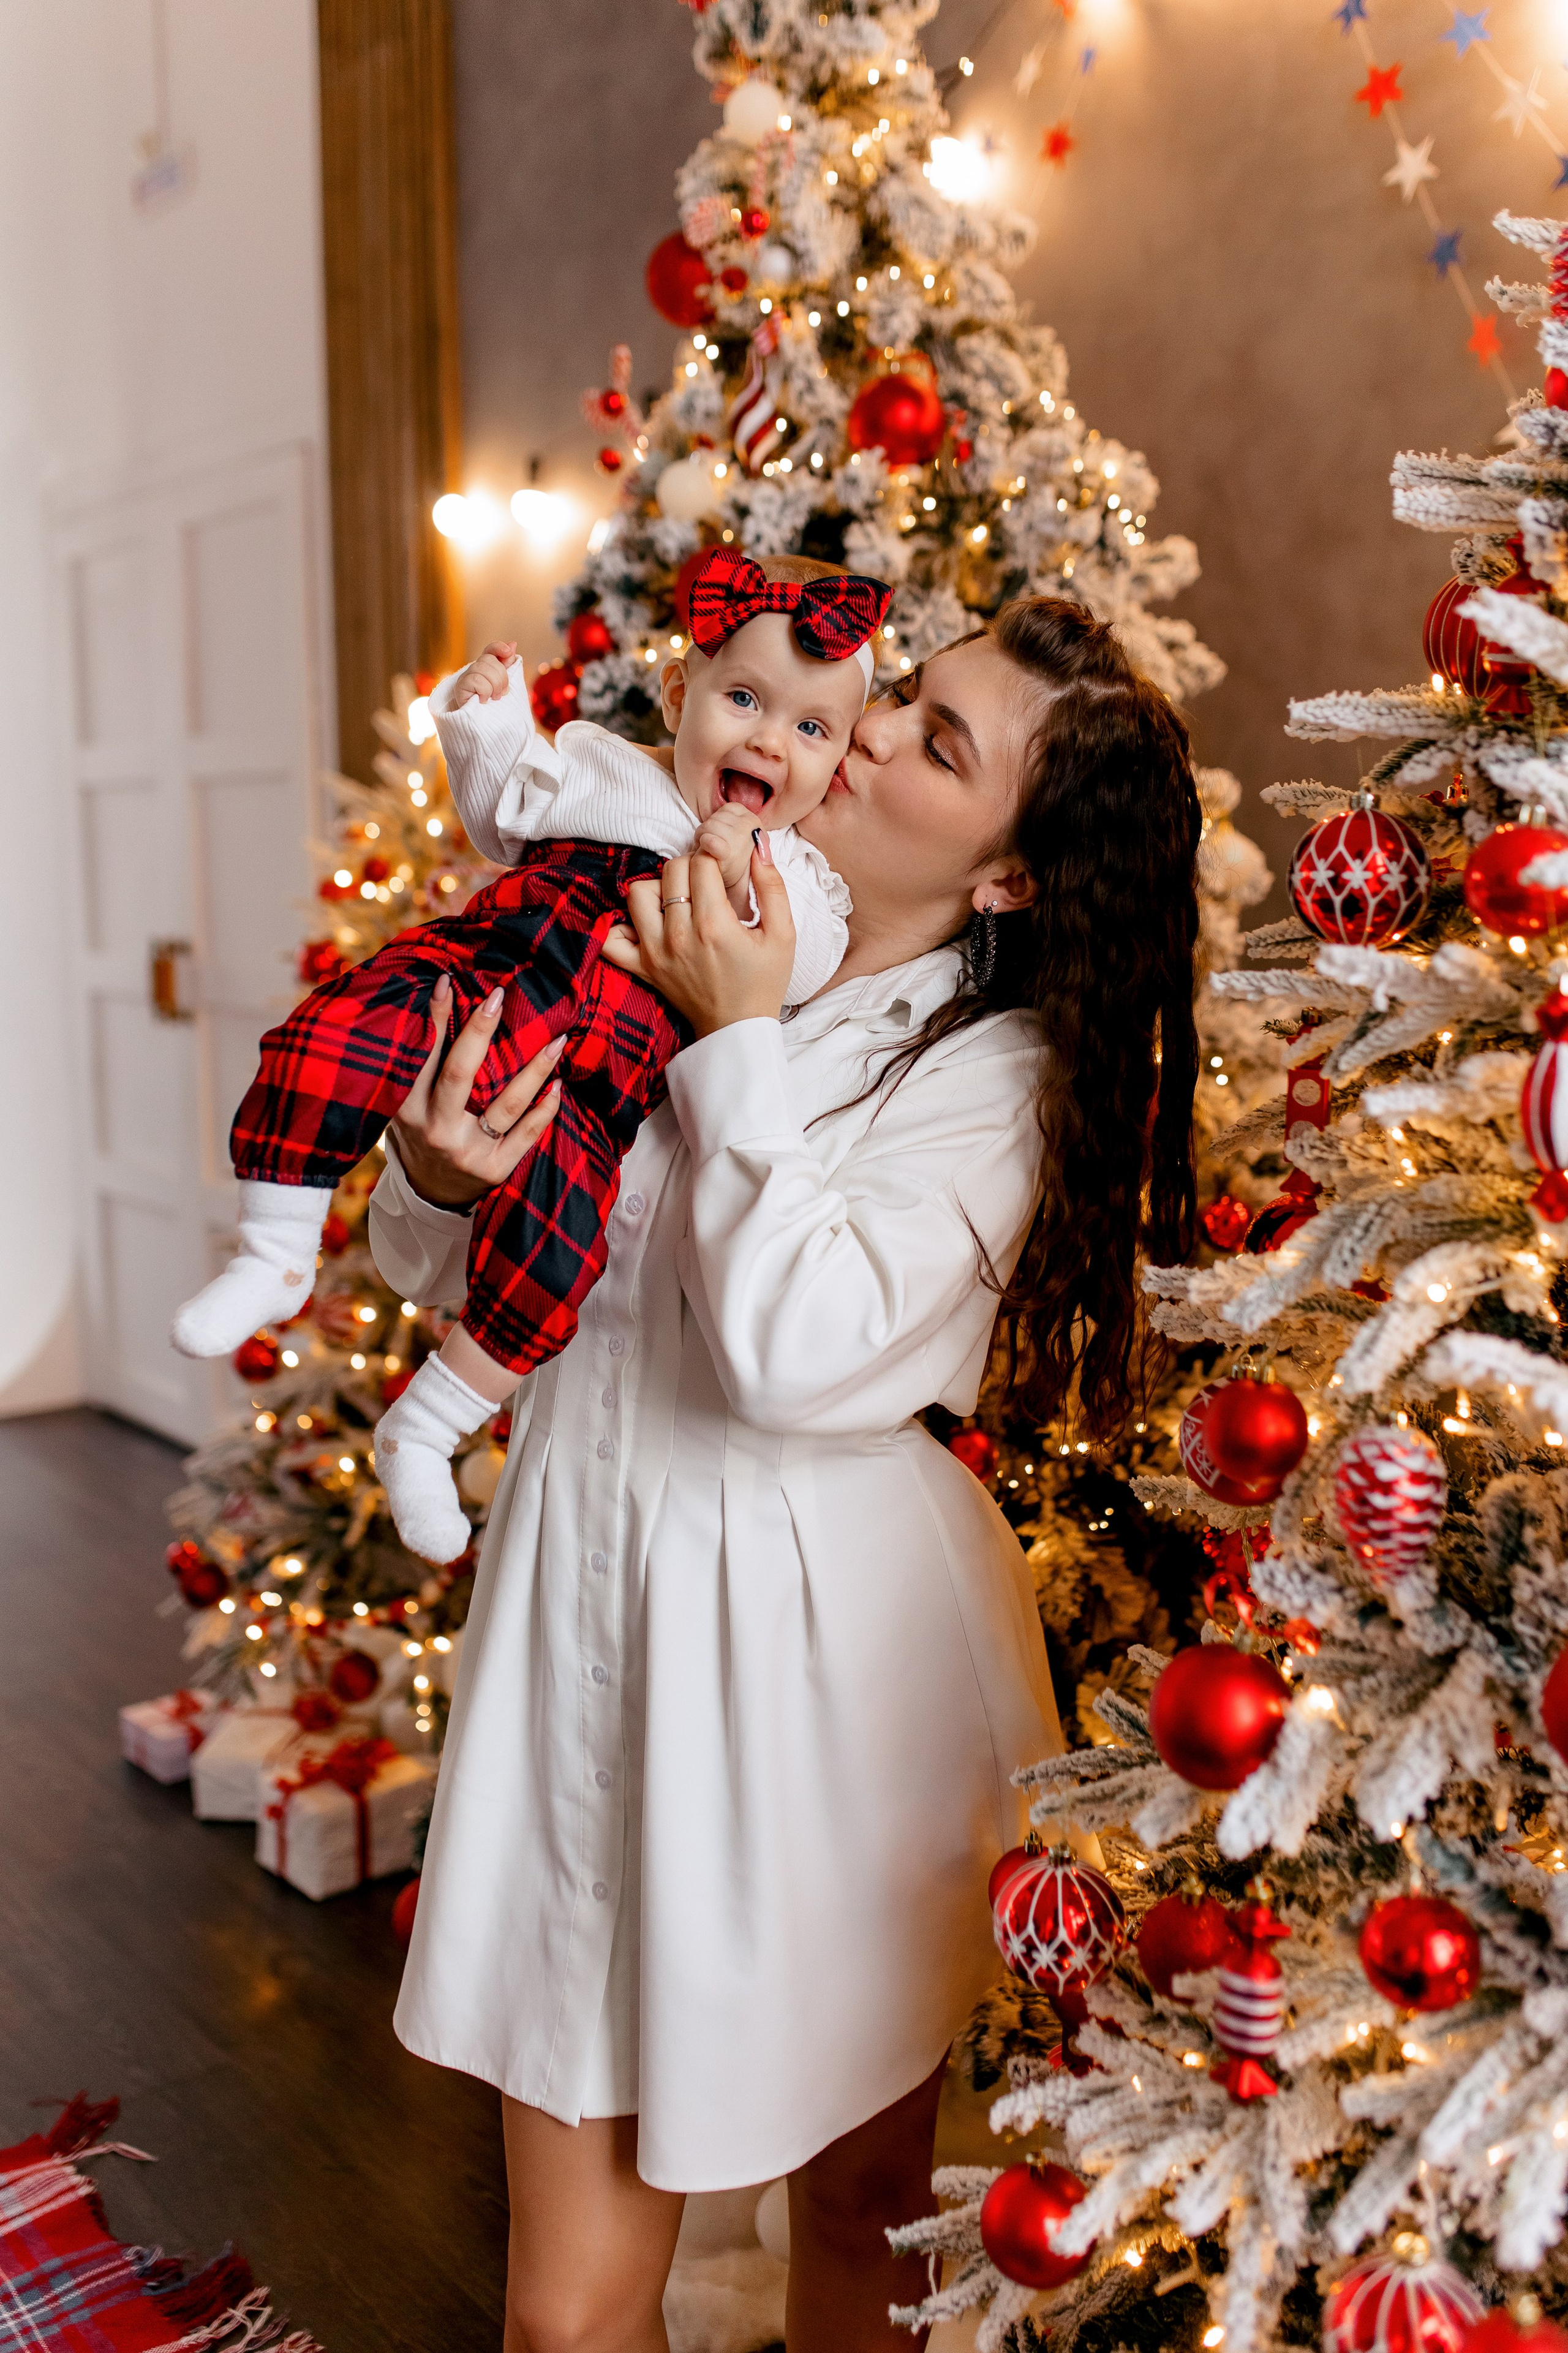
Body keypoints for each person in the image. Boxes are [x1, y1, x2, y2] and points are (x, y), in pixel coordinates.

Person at [372, 597, 1202, 2353]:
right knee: (569, 2306)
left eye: (940, 744)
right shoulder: (639, 907)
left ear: (1010, 883)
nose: (871, 732)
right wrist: (441, 1184)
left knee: (858, 2213)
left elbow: (800, 1356)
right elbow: (467, 1279)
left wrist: (731, 1037)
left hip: (822, 1674)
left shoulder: (1001, 1082)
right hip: (581, 1606)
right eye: (901, 699)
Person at [169, 548, 889, 1565]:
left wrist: (738, 879)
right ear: (680, 693)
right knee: (332, 1033)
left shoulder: (798, 875)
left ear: (840, 757)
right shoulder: (606, 764)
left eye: (811, 729)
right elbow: (505, 807)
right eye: (743, 698)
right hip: (482, 975)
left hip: (587, 1080)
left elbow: (801, 967)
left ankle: (427, 1425)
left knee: (555, 1253)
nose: (771, 740)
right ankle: (274, 1249)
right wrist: (485, 720)